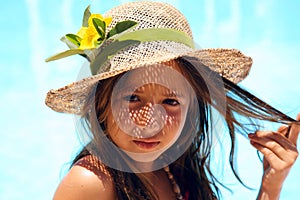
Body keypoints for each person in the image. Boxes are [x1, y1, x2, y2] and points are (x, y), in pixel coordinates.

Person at [45, 2, 300, 200]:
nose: (151, 122)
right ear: (102, 104)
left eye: (170, 101)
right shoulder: (91, 182)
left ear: (190, 107)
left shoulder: (174, 166)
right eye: (133, 98)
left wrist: (272, 183)